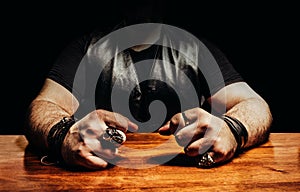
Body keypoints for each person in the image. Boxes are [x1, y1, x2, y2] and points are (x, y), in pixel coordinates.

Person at [24, 1, 272, 170]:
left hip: (186, 179)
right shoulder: (86, 48)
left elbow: (256, 105)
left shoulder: (195, 48)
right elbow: (43, 106)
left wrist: (232, 129)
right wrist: (64, 136)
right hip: (97, 179)